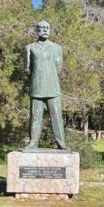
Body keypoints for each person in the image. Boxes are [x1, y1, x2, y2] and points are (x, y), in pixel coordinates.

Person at [25, 21, 68, 150]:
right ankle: (33, 143)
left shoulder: (57, 48)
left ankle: (61, 143)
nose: (45, 30)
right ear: (37, 30)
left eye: (47, 28)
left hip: (52, 88)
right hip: (36, 88)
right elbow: (28, 69)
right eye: (42, 28)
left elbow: (58, 68)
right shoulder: (30, 47)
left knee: (57, 117)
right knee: (35, 118)